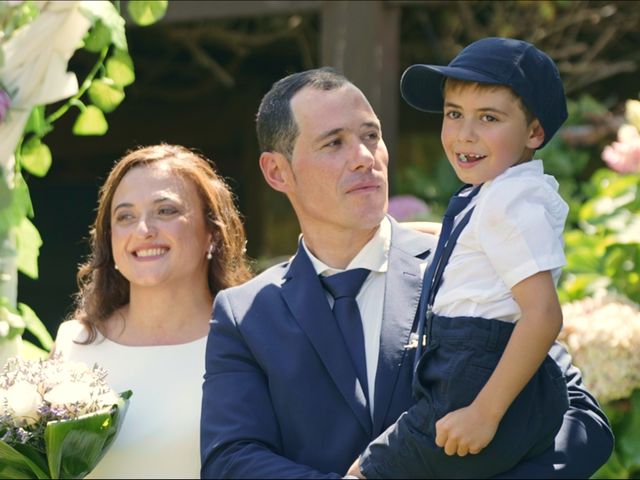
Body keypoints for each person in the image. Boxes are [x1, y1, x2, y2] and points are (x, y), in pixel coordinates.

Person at [200, 67, 613, 479]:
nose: (364, 158)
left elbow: (580, 417)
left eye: (370, 136)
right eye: (334, 143)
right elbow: (231, 460)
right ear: (277, 172)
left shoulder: (467, 262)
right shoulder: (243, 314)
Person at [350, 36, 590, 479]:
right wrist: (394, 233)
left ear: (534, 132)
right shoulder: (502, 194)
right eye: (454, 114)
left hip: (473, 375)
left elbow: (542, 315)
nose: (465, 133)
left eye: (489, 118)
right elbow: (471, 246)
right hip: (468, 366)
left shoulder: (507, 202)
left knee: (365, 473)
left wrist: (485, 412)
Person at [53, 144, 252, 479]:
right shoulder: (74, 344)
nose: (143, 230)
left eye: (166, 211)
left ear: (213, 234)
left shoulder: (252, 340)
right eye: (125, 216)